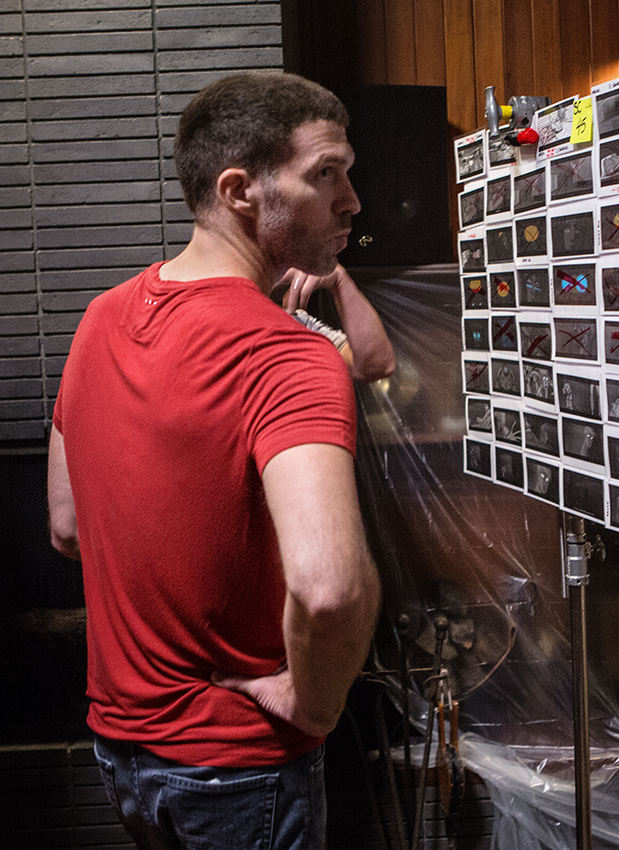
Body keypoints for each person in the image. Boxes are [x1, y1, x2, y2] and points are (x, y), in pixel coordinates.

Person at [46, 71, 393, 849]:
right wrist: (314, 704)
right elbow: (330, 589)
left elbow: (67, 528)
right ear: (242, 190)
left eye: (349, 173)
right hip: (240, 764)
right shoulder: (290, 357)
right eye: (325, 174)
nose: (352, 201)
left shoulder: (99, 318)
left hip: (123, 754)